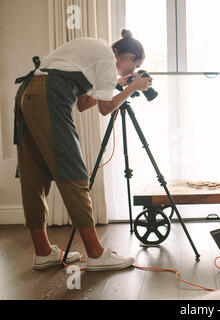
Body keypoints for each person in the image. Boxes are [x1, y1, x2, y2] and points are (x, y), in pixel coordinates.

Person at [13, 29, 152, 271]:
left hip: (29, 93)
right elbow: (106, 109)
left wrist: (116, 85)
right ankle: (97, 254)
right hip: (48, 95)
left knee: (34, 176)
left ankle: (43, 252)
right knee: (73, 173)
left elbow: (83, 103)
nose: (130, 72)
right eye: (133, 66)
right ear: (126, 55)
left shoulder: (97, 54)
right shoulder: (108, 59)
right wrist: (132, 88)